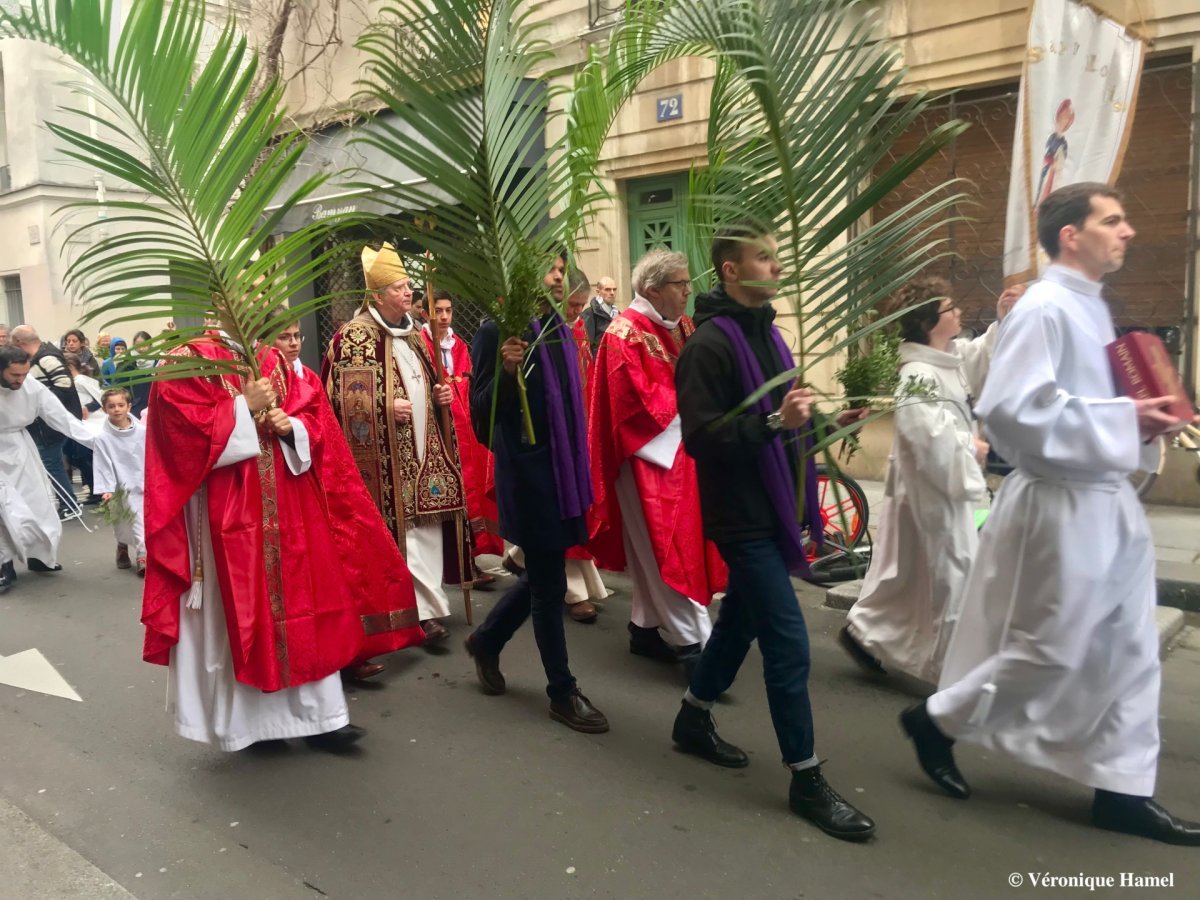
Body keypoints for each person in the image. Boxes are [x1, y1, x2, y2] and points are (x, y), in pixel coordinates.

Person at [899, 182, 1200, 845]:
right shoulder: (1045, 308)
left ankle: (1123, 787)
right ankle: (939, 719)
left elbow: (1084, 401)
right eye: (1113, 221)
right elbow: (1011, 410)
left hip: (1105, 500)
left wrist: (1150, 419)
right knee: (1054, 645)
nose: (1127, 233)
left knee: (1129, 647)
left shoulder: (1091, 306)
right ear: (1072, 234)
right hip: (1061, 501)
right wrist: (1127, 418)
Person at [671, 222, 875, 842]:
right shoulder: (708, 345)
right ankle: (806, 777)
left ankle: (692, 717)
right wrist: (770, 421)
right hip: (742, 516)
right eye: (765, 258)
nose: (778, 268)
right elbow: (702, 438)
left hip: (776, 508)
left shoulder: (772, 337)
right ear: (732, 271)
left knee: (742, 620)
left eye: (777, 257)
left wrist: (829, 422)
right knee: (789, 641)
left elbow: (785, 425)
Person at [142, 332, 368, 752]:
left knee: (306, 608)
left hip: (291, 510)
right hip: (229, 518)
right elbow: (176, 439)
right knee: (244, 617)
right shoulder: (187, 360)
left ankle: (322, 718)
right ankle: (254, 727)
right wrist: (241, 408)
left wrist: (292, 428)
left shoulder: (273, 357)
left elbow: (313, 418)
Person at [839, 278, 1020, 682]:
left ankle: (865, 631)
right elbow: (925, 435)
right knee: (952, 576)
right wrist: (972, 448)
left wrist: (1004, 319)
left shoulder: (947, 358)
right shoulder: (917, 375)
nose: (958, 313)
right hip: (933, 489)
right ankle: (954, 675)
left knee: (913, 576)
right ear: (927, 323)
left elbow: (981, 358)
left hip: (951, 486)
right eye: (950, 309)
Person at [464, 251, 609, 734]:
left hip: (563, 472)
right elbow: (481, 419)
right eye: (549, 269)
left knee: (542, 579)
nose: (557, 278)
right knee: (548, 585)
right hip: (530, 478)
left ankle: (487, 639)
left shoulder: (558, 330)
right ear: (524, 274)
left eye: (560, 271)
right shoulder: (495, 330)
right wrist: (506, 372)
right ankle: (562, 692)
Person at [323, 243, 470, 645]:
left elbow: (427, 380)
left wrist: (441, 398)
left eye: (408, 286)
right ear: (377, 295)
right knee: (408, 533)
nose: (408, 293)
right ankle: (419, 613)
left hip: (427, 445)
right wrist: (384, 407)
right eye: (399, 287)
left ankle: (432, 605)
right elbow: (340, 398)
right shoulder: (354, 337)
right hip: (389, 452)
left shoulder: (415, 335)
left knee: (431, 525)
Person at [588, 249, 724, 675]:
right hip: (646, 454)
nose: (689, 291)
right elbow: (634, 406)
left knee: (657, 550)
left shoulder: (680, 324)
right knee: (666, 548)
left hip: (683, 450)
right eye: (680, 284)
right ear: (652, 290)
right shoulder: (622, 334)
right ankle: (694, 645)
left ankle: (644, 628)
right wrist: (697, 410)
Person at [275, 321, 424, 682]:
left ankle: (356, 648)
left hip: (328, 476)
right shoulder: (269, 382)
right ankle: (332, 656)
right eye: (285, 337)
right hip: (293, 487)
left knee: (353, 562)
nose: (293, 343)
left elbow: (323, 426)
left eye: (298, 335)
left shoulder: (308, 376)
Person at [420, 291, 503, 587]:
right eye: (438, 311)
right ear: (425, 313)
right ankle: (457, 563)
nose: (444, 317)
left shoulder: (460, 346)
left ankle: (473, 557)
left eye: (448, 310)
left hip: (466, 430)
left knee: (472, 494)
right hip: (439, 433)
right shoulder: (419, 345)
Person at [0, 345, 95, 590]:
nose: (21, 380)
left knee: (38, 504)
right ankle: (4, 564)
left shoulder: (31, 386)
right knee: (5, 511)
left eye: (24, 374)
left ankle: (39, 556)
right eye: (14, 376)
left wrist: (96, 442)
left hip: (20, 450)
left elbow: (59, 416)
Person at [10, 325, 85, 514]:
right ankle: (69, 504)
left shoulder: (47, 358)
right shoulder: (41, 357)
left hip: (52, 424)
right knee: (53, 462)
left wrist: (39, 402)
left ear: (20, 343)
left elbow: (64, 385)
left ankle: (70, 505)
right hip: (49, 423)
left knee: (52, 463)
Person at [92, 387, 147, 575]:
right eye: (111, 406)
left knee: (139, 517)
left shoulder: (143, 431)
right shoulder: (102, 438)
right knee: (122, 518)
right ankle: (122, 546)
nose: (117, 409)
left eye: (121, 405)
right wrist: (105, 488)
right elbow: (102, 463)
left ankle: (142, 554)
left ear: (129, 406)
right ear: (104, 409)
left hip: (141, 479)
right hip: (118, 483)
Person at [580, 276, 617, 352]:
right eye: (607, 290)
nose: (612, 293)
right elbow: (586, 346)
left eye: (614, 289)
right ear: (598, 292)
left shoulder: (618, 314)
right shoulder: (589, 314)